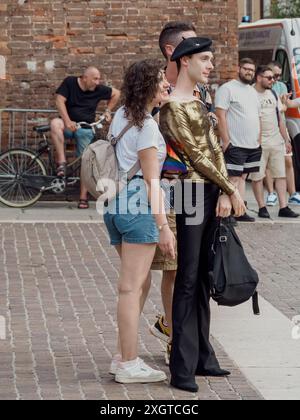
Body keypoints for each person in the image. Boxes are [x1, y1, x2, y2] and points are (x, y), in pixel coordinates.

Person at [159, 37, 246, 392]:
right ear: (184, 62)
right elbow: (195, 154)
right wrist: (230, 187)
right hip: (190, 191)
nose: (210, 65)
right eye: (205, 59)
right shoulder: (172, 108)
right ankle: (182, 368)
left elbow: (215, 149)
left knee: (204, 277)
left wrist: (225, 191)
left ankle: (203, 358)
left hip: (211, 189)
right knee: (188, 278)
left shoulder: (199, 100)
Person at [103, 59, 176, 384]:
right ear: (148, 86)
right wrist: (164, 227)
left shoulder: (121, 116)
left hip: (114, 204)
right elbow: (150, 182)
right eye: (161, 80)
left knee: (137, 284)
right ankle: (129, 363)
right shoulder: (146, 126)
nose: (166, 85)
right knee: (130, 288)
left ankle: (122, 356)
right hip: (137, 205)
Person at [150, 22, 197, 363]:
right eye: (192, 45)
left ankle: (171, 324)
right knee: (171, 265)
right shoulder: (153, 87)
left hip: (194, 189)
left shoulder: (199, 89)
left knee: (189, 266)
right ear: (172, 50)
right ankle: (172, 340)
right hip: (166, 187)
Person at [50, 66, 120, 209]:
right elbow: (59, 100)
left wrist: (108, 110)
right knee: (55, 123)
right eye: (94, 78)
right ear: (85, 77)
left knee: (86, 163)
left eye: (98, 79)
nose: (97, 82)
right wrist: (68, 121)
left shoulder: (97, 89)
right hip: (68, 125)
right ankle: (62, 163)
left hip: (86, 128)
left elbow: (116, 93)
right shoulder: (70, 82)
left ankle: (83, 197)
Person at [215, 58, 262, 222]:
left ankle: (239, 211)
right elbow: (220, 115)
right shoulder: (227, 89)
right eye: (246, 68)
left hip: (253, 145)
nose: (249, 72)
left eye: (252, 70)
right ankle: (227, 213)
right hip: (235, 144)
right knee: (232, 179)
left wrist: (259, 140)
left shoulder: (253, 92)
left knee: (242, 178)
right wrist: (226, 140)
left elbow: (258, 117)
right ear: (238, 69)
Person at [250, 65, 299, 219]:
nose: (273, 80)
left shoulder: (272, 93)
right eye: (269, 78)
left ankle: (283, 207)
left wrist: (285, 139)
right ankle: (261, 207)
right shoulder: (250, 94)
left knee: (280, 175)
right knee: (257, 176)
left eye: (274, 77)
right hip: (258, 143)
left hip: (276, 141)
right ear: (259, 78)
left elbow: (280, 119)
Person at [264, 61, 300, 206]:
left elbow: (287, 105)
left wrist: (284, 103)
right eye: (274, 75)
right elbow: (287, 106)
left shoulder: (281, 86)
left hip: (281, 128)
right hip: (268, 130)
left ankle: (292, 194)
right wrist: (284, 104)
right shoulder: (262, 89)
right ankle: (271, 194)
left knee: (288, 161)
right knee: (268, 163)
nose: (277, 78)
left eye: (279, 75)